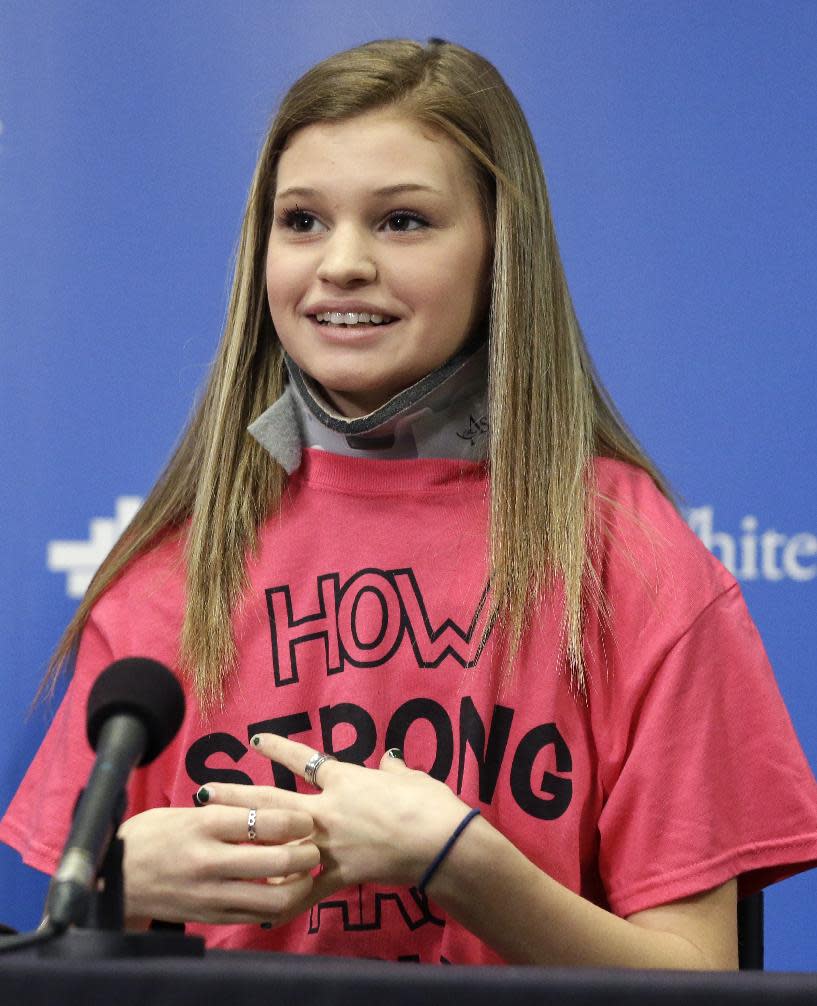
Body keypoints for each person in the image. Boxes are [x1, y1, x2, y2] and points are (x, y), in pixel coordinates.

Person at [2, 38, 817, 969]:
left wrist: (462, 866)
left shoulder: (629, 554)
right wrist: (112, 886)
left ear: (498, 251)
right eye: (302, 221)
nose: (341, 262)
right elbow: (64, 964)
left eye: (401, 221)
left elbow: (698, 978)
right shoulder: (166, 572)